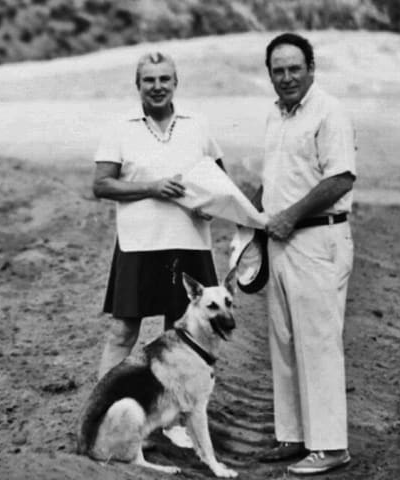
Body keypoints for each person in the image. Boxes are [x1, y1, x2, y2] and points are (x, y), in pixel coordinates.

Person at [91, 51, 224, 449]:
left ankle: (173, 421)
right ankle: (102, 414)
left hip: (188, 241)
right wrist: (151, 188)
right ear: (138, 85)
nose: (157, 86)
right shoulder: (120, 127)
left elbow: (220, 181)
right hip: (139, 243)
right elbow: (102, 185)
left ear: (176, 83)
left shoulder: (197, 126)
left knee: (181, 335)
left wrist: (211, 203)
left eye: (165, 79)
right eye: (149, 80)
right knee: (123, 330)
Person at [253, 33, 356, 475]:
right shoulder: (277, 116)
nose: (287, 77)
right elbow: (278, 180)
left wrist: (290, 215)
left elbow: (341, 179)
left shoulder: (329, 111)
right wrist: (253, 213)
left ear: (311, 68)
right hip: (281, 241)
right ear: (270, 74)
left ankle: (331, 447)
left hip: (318, 240)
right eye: (278, 70)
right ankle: (294, 436)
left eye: (295, 68)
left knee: (317, 343)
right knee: (285, 342)